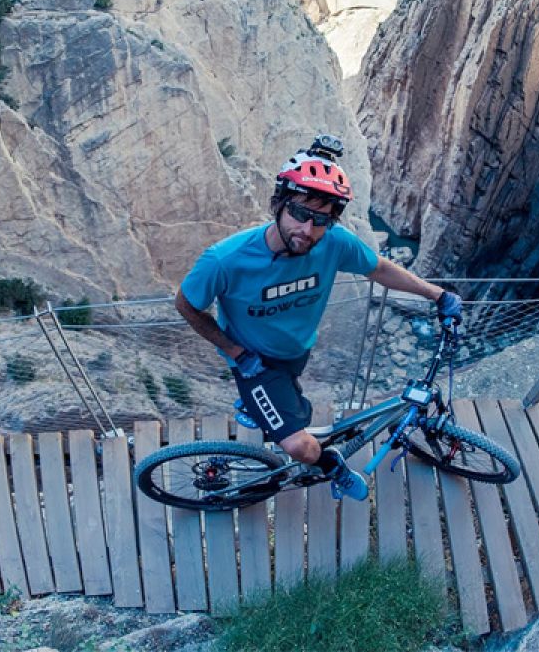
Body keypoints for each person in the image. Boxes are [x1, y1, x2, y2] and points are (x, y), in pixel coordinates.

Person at [176, 134, 462, 500]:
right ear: (278, 204)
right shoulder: (225, 260)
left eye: (321, 220)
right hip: (254, 362)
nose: (308, 230)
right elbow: (186, 304)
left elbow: (379, 269)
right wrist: (236, 353)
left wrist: (437, 295)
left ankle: (263, 409)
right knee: (301, 446)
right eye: (300, 213)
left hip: (296, 351)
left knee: (294, 405)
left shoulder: (333, 242)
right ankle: (332, 466)